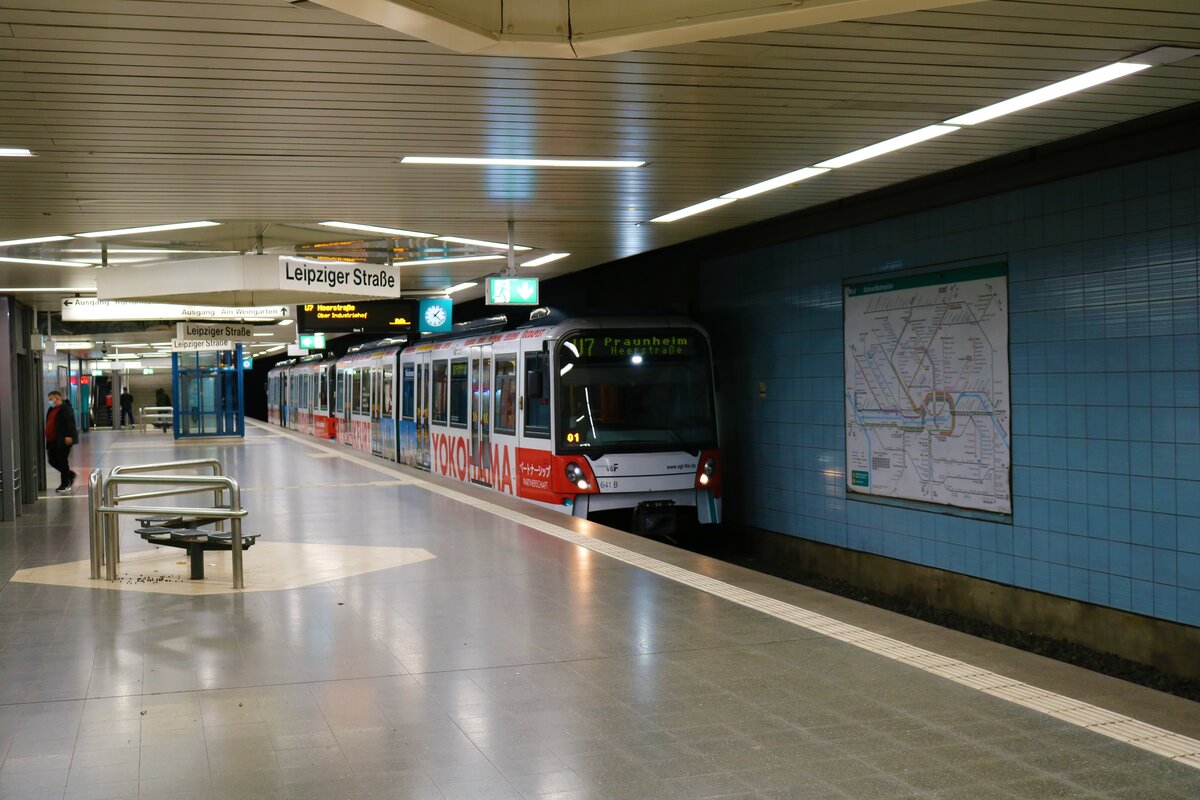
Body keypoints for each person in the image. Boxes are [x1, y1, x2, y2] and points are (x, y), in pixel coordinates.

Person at [45, 390, 78, 493]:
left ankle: (65, 483)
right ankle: (70, 475)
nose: (49, 401)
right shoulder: (51, 409)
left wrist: (69, 436)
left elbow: (70, 423)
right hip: (52, 441)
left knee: (62, 461)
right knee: (52, 460)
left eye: (51, 399)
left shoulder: (65, 409)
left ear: (57, 398)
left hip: (62, 440)